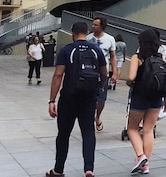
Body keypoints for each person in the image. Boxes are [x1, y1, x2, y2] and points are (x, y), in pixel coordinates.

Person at [46, 20, 106, 177]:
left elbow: (58, 74)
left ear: (72, 34)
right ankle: (88, 169)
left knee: (63, 134)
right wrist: (98, 91)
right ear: (87, 33)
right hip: (89, 98)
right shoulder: (96, 50)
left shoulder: (67, 50)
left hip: (68, 98)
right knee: (88, 132)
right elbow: (104, 74)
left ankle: (58, 170)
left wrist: (52, 100)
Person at [126, 29, 165, 175]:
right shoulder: (160, 57)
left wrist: (130, 83)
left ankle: (140, 156)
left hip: (140, 96)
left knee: (132, 128)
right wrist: (165, 99)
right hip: (157, 97)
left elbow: (131, 77)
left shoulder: (137, 57)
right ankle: (145, 165)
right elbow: (165, 78)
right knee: (148, 130)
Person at [87, 17, 118, 132]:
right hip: (89, 72)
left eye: (96, 25)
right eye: (92, 24)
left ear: (102, 26)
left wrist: (114, 72)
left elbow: (113, 57)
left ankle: (98, 116)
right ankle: (89, 117)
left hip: (103, 73)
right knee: (89, 97)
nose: (93, 27)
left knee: (101, 99)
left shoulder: (110, 39)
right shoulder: (88, 38)